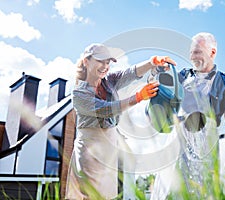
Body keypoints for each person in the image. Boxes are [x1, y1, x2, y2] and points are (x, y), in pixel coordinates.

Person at [65, 43, 176, 200]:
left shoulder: (108, 81)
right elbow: (106, 109)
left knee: (107, 196)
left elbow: (130, 73)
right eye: (100, 61)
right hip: (89, 152)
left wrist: (152, 62)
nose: (105, 66)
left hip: (109, 149)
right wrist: (137, 97)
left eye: (107, 62)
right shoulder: (79, 93)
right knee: (89, 195)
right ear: (86, 61)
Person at [150, 32, 225, 199]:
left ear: (212, 53)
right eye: (191, 52)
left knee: (205, 191)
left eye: (198, 52)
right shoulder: (182, 77)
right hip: (178, 142)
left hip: (208, 145)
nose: (193, 57)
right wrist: (157, 72)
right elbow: (160, 91)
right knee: (171, 190)